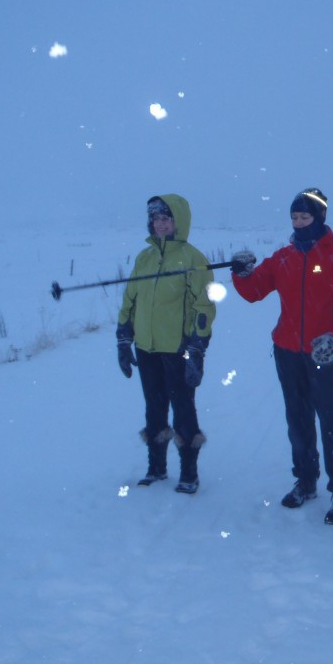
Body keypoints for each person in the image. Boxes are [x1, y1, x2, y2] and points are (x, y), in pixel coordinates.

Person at [231, 189, 333, 526]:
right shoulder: (283, 258)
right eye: (294, 217)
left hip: (329, 353)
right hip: (289, 352)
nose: (299, 222)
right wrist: (242, 272)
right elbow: (254, 292)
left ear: (319, 218)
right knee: (298, 420)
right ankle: (306, 480)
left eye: (305, 217)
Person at [116, 194, 216, 494]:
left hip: (178, 348)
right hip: (146, 347)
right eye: (156, 219)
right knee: (154, 406)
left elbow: (204, 305)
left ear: (178, 221)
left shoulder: (193, 258)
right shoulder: (144, 258)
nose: (160, 224)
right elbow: (130, 299)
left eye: (166, 218)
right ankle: (156, 468)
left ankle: (189, 473)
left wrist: (197, 347)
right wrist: (124, 336)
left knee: (183, 408)